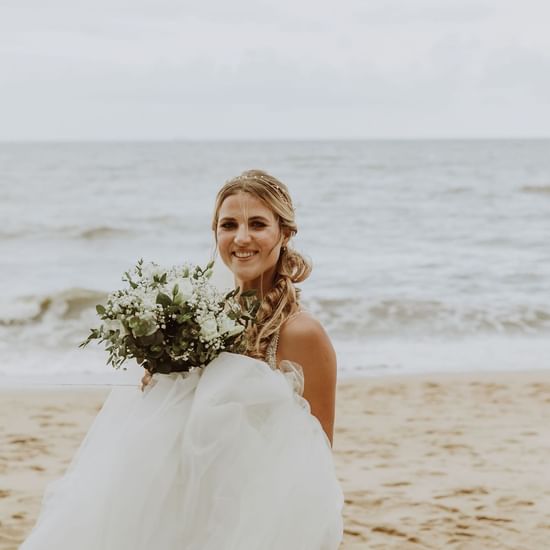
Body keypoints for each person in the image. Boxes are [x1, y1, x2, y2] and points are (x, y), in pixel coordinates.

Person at [21, 170, 344, 550]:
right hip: (182, 506)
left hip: (249, 518)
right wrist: (163, 383)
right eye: (229, 225)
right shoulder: (198, 317)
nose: (241, 238)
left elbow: (318, 454)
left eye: (257, 224)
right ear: (215, 233)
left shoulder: (301, 333)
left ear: (284, 233)